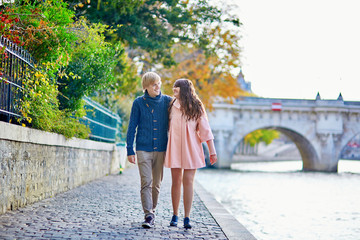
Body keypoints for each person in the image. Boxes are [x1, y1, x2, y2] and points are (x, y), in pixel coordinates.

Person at [164, 78, 217, 229]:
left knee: (188, 181)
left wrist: (212, 151)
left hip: (191, 148)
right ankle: (175, 215)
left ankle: (187, 217)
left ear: (185, 90)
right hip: (174, 148)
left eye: (177, 89)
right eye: (173, 88)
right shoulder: (171, 106)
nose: (174, 91)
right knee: (176, 181)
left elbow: (206, 130)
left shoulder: (197, 106)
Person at [126, 72, 172, 228]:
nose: (157, 86)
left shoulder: (168, 101)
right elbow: (132, 126)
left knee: (156, 184)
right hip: (143, 149)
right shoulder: (138, 103)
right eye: (154, 84)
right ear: (146, 87)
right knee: (146, 182)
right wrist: (129, 149)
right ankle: (149, 215)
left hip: (161, 149)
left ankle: (152, 209)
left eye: (159, 83)